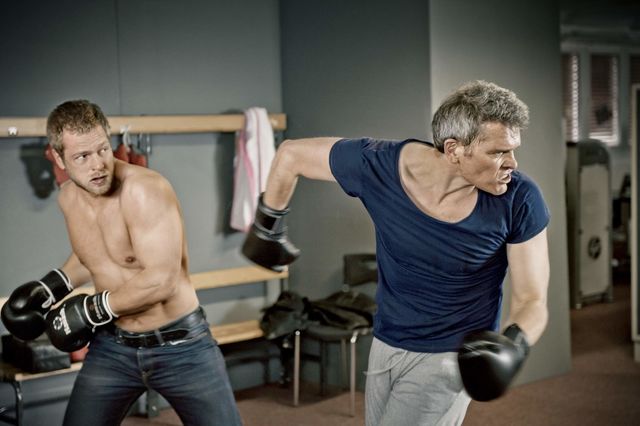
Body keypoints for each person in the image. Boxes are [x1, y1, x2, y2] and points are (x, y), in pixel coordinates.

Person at [241, 80, 550, 425]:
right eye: (498, 152)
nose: (512, 163)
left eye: (513, 150)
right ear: (453, 150)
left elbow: (532, 299)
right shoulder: (380, 166)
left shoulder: (519, 199)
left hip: (448, 357)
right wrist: (268, 224)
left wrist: (514, 344)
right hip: (386, 343)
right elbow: (290, 155)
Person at [1, 100, 242, 426]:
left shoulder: (144, 190)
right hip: (112, 348)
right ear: (59, 158)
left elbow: (162, 279)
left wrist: (90, 311)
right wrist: (50, 287)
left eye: (102, 149)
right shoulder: (68, 198)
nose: (98, 165)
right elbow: (92, 256)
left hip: (180, 347)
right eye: (82, 157)